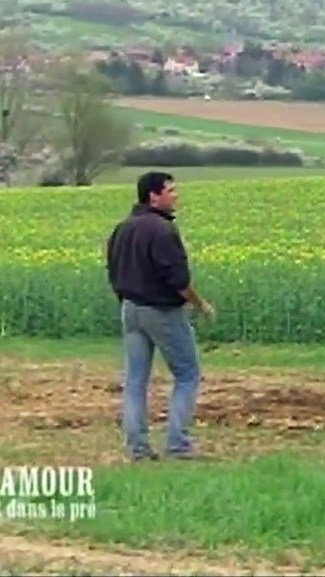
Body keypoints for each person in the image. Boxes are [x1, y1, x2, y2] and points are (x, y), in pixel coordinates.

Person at [106, 172, 214, 462]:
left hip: (130, 309)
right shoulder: (162, 231)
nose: (175, 195)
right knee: (187, 374)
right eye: (170, 190)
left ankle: (137, 448)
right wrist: (199, 303)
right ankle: (178, 444)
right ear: (153, 196)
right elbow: (178, 280)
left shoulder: (122, 229)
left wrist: (127, 301)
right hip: (162, 311)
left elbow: (113, 270)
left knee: (135, 381)